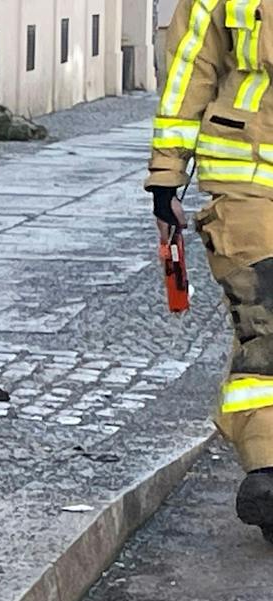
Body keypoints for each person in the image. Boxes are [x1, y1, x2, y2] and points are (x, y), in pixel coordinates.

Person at [150, 0, 273, 542]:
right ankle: (268, 468)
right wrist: (165, 175)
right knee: (264, 319)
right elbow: (190, 65)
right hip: (245, 179)